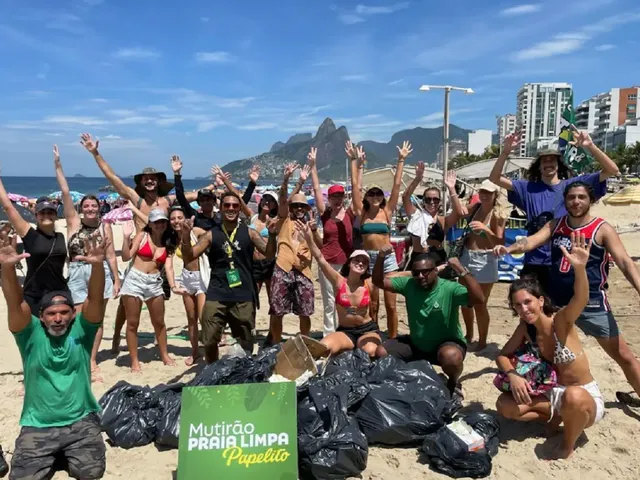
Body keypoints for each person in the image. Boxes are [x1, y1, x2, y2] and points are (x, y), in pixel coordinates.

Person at [495, 181, 640, 401]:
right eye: (571, 197)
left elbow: (625, 263)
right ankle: (549, 396)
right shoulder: (556, 225)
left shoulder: (602, 229)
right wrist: (509, 248)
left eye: (581, 197)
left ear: (591, 200)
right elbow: (531, 241)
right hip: (556, 303)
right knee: (548, 352)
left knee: (623, 355)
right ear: (565, 201)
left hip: (590, 302)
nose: (576, 201)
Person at [2, 228, 107, 479]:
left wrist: (97, 267)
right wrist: (6, 268)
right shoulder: (29, 335)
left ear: (73, 314)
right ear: (41, 316)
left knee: (91, 472)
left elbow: (95, 300)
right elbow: (15, 302)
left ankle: (65, 454)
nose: (58, 318)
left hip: (80, 422)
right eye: (51, 313)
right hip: (38, 426)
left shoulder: (82, 331)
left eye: (64, 312)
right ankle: (57, 455)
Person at [496, 232, 604, 460]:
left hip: (584, 396)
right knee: (504, 405)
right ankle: (556, 418)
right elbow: (502, 355)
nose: (524, 309)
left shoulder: (560, 322)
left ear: (541, 300)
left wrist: (580, 269)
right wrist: (513, 375)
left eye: (528, 302)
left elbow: (581, 299)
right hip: (553, 394)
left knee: (573, 396)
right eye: (517, 305)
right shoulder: (526, 328)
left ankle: (567, 445)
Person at [488, 128, 619, 292]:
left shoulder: (573, 187)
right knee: (530, 305)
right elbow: (494, 178)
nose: (548, 163)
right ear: (539, 166)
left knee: (561, 306)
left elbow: (612, 170)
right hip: (534, 260)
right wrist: (505, 152)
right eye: (544, 161)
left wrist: (590, 146)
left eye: (552, 160)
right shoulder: (527, 188)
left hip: (564, 260)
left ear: (558, 165)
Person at [373, 246, 485, 396]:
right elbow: (378, 282)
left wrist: (461, 270)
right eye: (416, 273)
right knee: (382, 352)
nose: (421, 276)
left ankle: (453, 382)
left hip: (445, 344)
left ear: (435, 271)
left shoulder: (449, 288)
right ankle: (404, 380)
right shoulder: (409, 284)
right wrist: (381, 256)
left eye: (425, 272)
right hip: (417, 344)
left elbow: (479, 299)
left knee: (451, 357)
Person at [180, 191, 277, 363]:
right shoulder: (211, 234)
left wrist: (272, 235)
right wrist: (186, 237)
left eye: (235, 205)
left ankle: (243, 368)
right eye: (227, 205)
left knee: (245, 340)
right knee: (209, 338)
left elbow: (269, 254)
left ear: (239, 208)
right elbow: (189, 256)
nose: (231, 208)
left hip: (244, 293)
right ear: (220, 208)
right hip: (217, 293)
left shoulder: (250, 233)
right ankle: (212, 368)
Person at [53, 144, 120, 380]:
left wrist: (117, 279)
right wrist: (58, 165)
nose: (90, 208)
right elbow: (65, 192)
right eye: (86, 206)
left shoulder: (105, 226)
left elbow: (111, 255)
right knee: (77, 317)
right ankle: (77, 355)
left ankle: (91, 359)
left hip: (100, 273)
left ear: (99, 208)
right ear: (81, 209)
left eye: (94, 205)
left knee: (97, 319)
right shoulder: (73, 222)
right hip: (76, 272)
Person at [350, 140, 413, 339]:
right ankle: (374, 335)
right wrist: (355, 162)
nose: (375, 196)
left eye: (378, 193)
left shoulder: (387, 211)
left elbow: (396, 185)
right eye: (371, 193)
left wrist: (401, 160)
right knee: (372, 303)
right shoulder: (361, 213)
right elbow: (355, 186)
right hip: (368, 259)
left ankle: (392, 338)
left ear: (382, 196)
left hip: (387, 259)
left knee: (391, 304)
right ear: (367, 197)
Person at [298, 220, 381, 356]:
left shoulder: (369, 283)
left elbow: (376, 305)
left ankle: (361, 347)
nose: (360, 263)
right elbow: (320, 258)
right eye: (357, 260)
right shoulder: (338, 281)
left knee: (369, 353)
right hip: (346, 331)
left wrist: (382, 256)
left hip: (367, 330)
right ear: (349, 263)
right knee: (324, 348)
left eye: (364, 262)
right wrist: (309, 238)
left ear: (367, 267)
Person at [267, 163, 322, 344]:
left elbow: (321, 246)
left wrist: (314, 231)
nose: (299, 208)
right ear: (291, 208)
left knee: (305, 312)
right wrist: (286, 179)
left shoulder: (310, 226)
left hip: (304, 272)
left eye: (302, 206)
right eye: (296, 205)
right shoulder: (284, 220)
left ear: (306, 209)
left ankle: (304, 342)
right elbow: (283, 199)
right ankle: (276, 344)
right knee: (277, 312)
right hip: (282, 268)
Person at [0, 172, 68, 315]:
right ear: (36, 216)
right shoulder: (30, 234)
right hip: (34, 295)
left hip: (59, 293)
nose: (46, 215)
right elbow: (8, 207)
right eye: (42, 213)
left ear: (55, 215)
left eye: (50, 212)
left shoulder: (61, 237)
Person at [120, 208, 178, 372]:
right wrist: (126, 238)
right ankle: (134, 360)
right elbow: (126, 256)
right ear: (150, 224)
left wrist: (173, 286)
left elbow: (169, 267)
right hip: (135, 280)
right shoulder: (142, 235)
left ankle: (164, 355)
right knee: (133, 323)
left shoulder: (168, 241)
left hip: (154, 282)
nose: (160, 225)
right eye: (156, 222)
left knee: (159, 322)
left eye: (162, 221)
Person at [307, 146, 355, 335]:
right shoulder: (325, 214)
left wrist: (354, 161)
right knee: (329, 301)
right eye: (334, 196)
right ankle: (329, 334)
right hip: (327, 263)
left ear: (344, 197)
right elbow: (316, 189)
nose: (337, 199)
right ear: (329, 198)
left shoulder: (350, 213)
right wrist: (313, 166)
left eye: (340, 196)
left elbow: (357, 189)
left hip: (346, 264)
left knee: (345, 299)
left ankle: (344, 331)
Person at [458, 180, 506, 350]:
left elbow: (499, 243)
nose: (484, 195)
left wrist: (485, 230)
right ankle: (469, 335)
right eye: (482, 191)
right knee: (464, 300)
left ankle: (483, 341)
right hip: (466, 257)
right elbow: (459, 211)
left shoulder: (498, 215)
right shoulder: (476, 207)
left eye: (488, 192)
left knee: (480, 303)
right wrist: (451, 189)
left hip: (485, 259)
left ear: (495, 194)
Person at [172, 155, 259, 230]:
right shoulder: (196, 217)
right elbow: (181, 198)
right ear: (199, 203)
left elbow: (242, 203)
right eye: (202, 200)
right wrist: (177, 174)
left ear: (214, 202)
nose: (205, 202)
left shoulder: (222, 216)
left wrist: (252, 183)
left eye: (208, 199)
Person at [402, 161, 465, 267]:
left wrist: (451, 188)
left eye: (435, 199)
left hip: (437, 259)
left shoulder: (442, 220)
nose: (432, 202)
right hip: (419, 259)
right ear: (423, 201)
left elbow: (458, 213)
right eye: (428, 199)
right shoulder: (416, 216)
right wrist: (417, 179)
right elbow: (405, 197)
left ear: (440, 202)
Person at [249, 191, 279, 304]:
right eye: (265, 199)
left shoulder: (276, 220)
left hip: (270, 262)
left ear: (275, 205)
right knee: (252, 299)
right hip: (254, 263)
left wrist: (298, 183)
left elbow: (287, 203)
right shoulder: (253, 217)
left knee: (273, 300)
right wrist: (225, 182)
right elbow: (240, 201)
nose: (267, 202)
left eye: (271, 200)